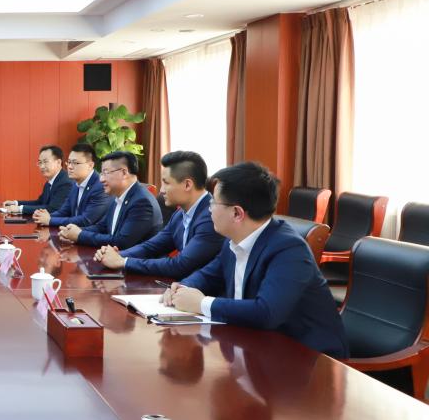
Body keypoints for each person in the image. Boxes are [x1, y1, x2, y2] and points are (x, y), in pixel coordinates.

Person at [164, 161, 349, 358]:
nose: (209, 209)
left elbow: (267, 312)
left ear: (237, 213)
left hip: (309, 359)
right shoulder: (234, 241)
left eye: (213, 203)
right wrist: (183, 288)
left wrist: (201, 303)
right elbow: (209, 275)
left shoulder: (289, 250)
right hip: (254, 346)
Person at [95, 150, 224, 278]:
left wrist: (123, 262)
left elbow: (180, 266)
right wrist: (116, 255)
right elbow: (151, 246)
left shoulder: (210, 218)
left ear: (187, 185)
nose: (161, 190)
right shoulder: (180, 214)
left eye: (166, 183)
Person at [58, 151, 162, 248]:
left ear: (124, 173)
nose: (101, 179)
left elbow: (121, 242)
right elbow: (102, 227)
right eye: (101, 173)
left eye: (106, 173)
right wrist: (73, 232)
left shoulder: (142, 202)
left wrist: (80, 236)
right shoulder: (118, 195)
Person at [32, 143, 112, 227]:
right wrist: (44, 216)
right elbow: (64, 211)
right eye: (69, 162)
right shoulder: (75, 184)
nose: (70, 167)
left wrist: (50, 220)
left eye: (75, 163)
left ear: (90, 165)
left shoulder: (101, 187)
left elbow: (86, 220)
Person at [1, 145, 73, 215]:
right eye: (40, 162)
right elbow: (40, 202)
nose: (42, 166)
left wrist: (20, 209)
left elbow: (52, 209)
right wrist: (16, 203)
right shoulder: (49, 183)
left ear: (58, 162)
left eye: (45, 162)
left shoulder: (65, 183)